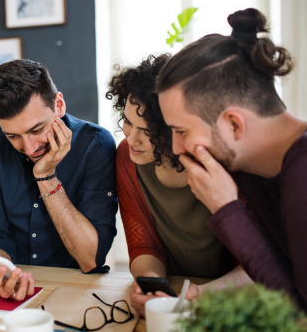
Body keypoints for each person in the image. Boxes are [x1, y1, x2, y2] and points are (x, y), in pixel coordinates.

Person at [156, 8, 307, 323]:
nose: (177, 148)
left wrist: (227, 210)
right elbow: (283, 279)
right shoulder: (251, 170)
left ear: (234, 124)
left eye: (181, 131)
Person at [106, 54, 252, 316]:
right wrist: (150, 285)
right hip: (174, 293)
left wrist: (200, 296)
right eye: (128, 121)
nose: (132, 139)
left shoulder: (228, 164)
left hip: (236, 297)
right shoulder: (126, 159)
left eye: (148, 131)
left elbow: (260, 262)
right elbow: (143, 245)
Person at [0, 59, 118, 301]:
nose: (28, 147)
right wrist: (0, 273)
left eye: (37, 130)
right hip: (13, 289)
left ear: (58, 105)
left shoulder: (96, 145)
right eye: (12, 136)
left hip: (75, 289)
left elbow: (91, 259)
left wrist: (46, 177)